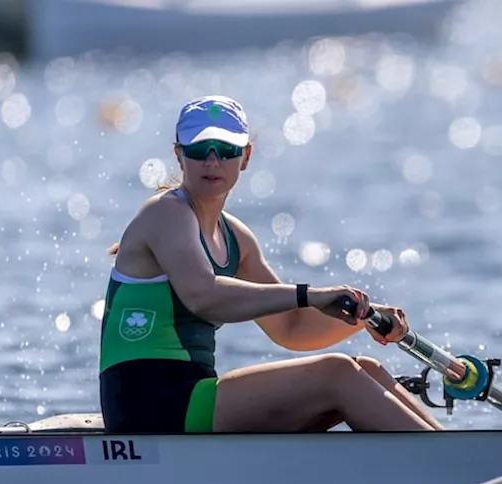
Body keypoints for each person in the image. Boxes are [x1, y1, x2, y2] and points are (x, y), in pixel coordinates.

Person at [99, 95, 443, 433]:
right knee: (336, 373)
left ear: (245, 156)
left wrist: (365, 316)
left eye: (227, 150)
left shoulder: (237, 238)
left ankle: (451, 453)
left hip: (192, 396)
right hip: (148, 404)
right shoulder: (166, 213)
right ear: (179, 155)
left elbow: (292, 328)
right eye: (200, 150)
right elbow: (203, 295)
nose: (213, 161)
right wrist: (311, 294)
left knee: (365, 369)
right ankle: (452, 466)